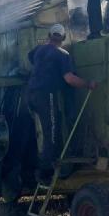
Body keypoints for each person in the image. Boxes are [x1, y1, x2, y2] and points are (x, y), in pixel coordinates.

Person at [27, 24, 97, 184]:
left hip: (31, 94)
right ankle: (45, 174)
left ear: (49, 35)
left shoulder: (39, 49)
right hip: (46, 95)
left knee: (50, 127)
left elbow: (30, 57)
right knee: (51, 133)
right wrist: (88, 84)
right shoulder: (63, 54)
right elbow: (70, 79)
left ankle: (51, 163)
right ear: (63, 38)